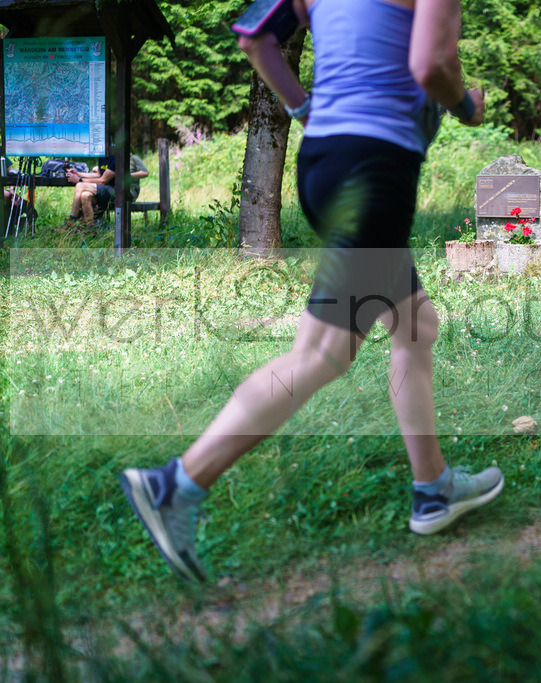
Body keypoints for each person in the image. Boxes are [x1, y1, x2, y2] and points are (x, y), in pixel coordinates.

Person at [119, 0, 501, 582]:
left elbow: (254, 37)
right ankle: (177, 484)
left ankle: (434, 488)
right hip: (374, 171)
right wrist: (468, 106)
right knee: (322, 354)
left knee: (415, 324)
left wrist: (302, 106)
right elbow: (431, 65)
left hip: (325, 160)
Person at [66, 154, 148, 225]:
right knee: (85, 195)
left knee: (80, 185)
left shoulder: (127, 158)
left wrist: (79, 180)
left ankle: (72, 219)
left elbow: (102, 181)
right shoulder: (104, 158)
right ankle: (90, 227)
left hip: (125, 192)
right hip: (110, 188)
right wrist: (78, 173)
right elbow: (100, 175)